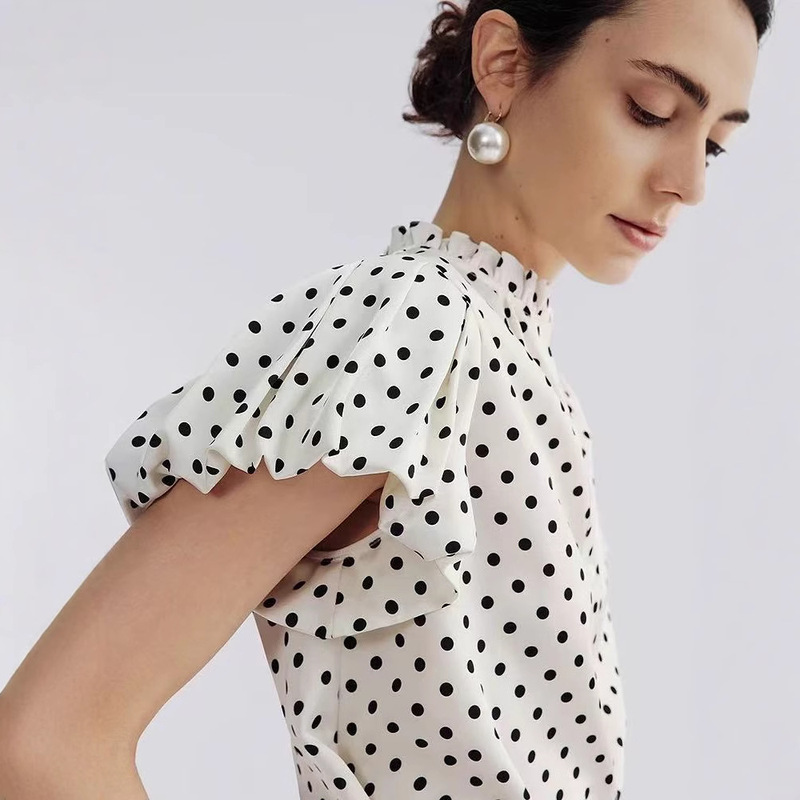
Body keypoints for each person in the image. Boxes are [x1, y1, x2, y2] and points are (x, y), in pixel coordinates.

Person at [0, 1, 774, 798]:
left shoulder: (502, 350)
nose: (690, 183)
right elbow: (47, 740)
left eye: (714, 144)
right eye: (651, 111)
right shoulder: (416, 323)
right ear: (504, 63)